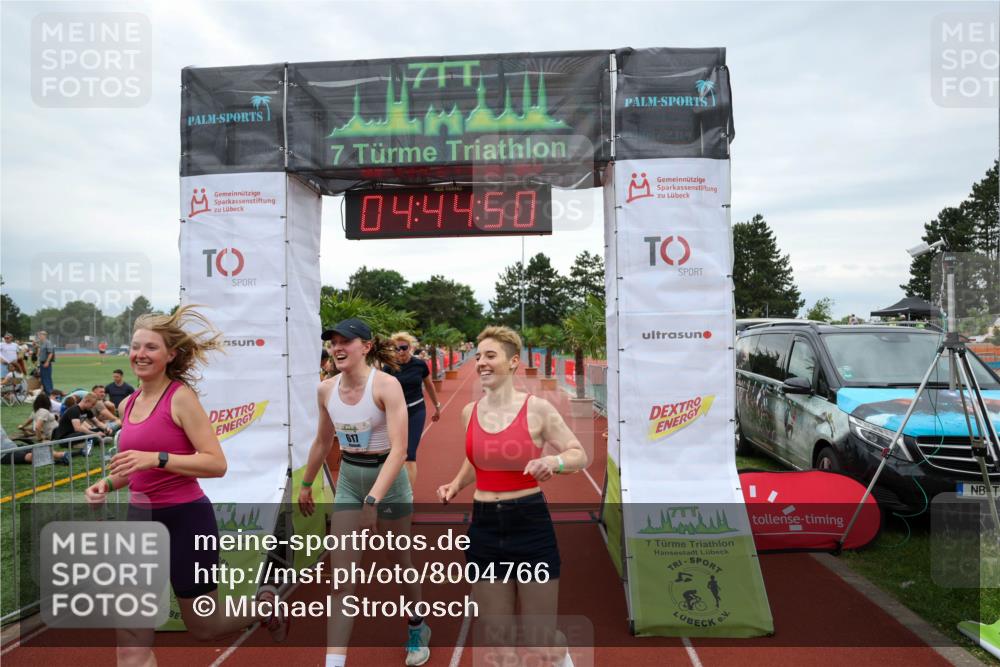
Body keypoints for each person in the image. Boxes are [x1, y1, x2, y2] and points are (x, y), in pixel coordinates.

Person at [84, 305, 287, 667]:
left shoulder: (179, 397)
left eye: (151, 347)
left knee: (205, 628)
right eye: (135, 346)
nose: (140, 354)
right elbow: (135, 468)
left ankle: (264, 606)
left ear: (170, 355)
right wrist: (106, 483)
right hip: (141, 521)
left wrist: (158, 457)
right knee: (130, 639)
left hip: (186, 521)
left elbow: (215, 463)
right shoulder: (129, 402)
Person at [437, 326, 588, 666]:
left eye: (490, 355)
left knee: (541, 642)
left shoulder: (538, 409)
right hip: (485, 528)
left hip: (529, 525)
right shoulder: (469, 412)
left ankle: (562, 657)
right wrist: (455, 484)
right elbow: (477, 459)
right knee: (500, 645)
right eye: (478, 357)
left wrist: (555, 460)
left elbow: (579, 453)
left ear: (513, 361)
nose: (481, 363)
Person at [298, 318, 430, 667]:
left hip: (388, 480)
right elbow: (323, 440)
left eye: (346, 341)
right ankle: (334, 663)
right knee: (342, 582)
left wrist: (374, 499)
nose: (337, 348)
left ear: (366, 347)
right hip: (350, 481)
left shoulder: (386, 386)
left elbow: (400, 450)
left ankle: (417, 625)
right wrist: (307, 483)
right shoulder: (325, 389)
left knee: (399, 563)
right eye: (333, 342)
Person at [384, 331, 441, 487]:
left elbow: (429, 385)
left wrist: (437, 406)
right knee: (396, 453)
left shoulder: (420, 364)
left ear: (410, 347)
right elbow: (381, 390)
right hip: (395, 413)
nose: (401, 351)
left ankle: (408, 496)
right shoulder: (388, 367)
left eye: (404, 347)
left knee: (409, 454)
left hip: (416, 410)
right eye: (397, 349)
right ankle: (396, 489)